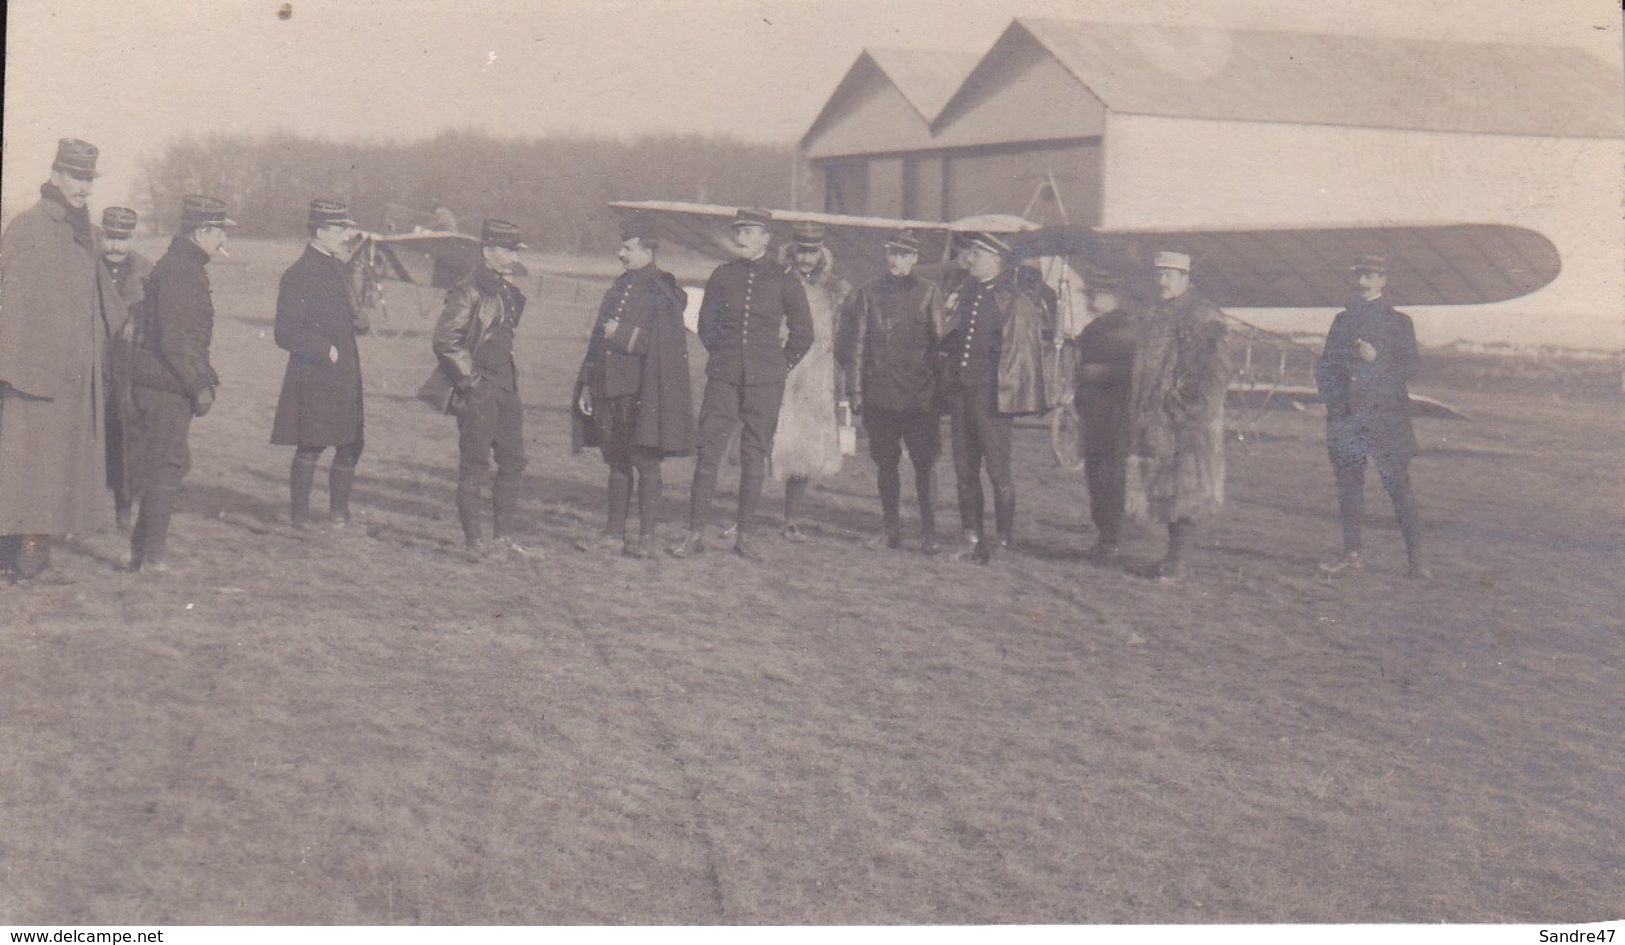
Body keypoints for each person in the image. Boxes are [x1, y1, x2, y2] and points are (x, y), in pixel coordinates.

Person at [0, 138, 126, 581]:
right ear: (54, 175)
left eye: (89, 178)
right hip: (31, 379)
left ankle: (29, 555)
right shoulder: (30, 228)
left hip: (71, 378)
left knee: (49, 471)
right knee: (27, 470)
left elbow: (104, 301)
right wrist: (11, 375)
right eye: (76, 176)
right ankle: (25, 558)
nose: (84, 187)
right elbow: (9, 303)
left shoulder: (84, 232)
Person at [671, 208, 813, 560]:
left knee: (754, 456)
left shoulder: (784, 278)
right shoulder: (723, 275)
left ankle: (744, 537)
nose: (742, 238)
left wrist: (778, 366)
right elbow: (706, 325)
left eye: (750, 231)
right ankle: (695, 533)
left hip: (766, 381)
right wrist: (724, 358)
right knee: (708, 453)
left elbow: (803, 333)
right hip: (724, 379)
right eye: (740, 231)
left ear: (766, 237)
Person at [571, 215, 695, 558]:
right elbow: (597, 340)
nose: (620, 254)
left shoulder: (664, 291)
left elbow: (666, 345)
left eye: (627, 247)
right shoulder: (619, 287)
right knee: (617, 461)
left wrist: (621, 335)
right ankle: (612, 535)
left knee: (646, 463)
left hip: (643, 391)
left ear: (647, 250)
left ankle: (647, 538)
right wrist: (586, 384)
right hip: (608, 387)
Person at [125, 194, 235, 573]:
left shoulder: (183, 265)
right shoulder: (181, 270)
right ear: (201, 232)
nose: (224, 241)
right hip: (164, 384)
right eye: (220, 232)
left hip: (164, 382)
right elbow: (174, 339)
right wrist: (198, 385)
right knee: (167, 465)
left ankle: (145, 550)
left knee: (167, 463)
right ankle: (150, 556)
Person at [935, 232, 1048, 564]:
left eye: (979, 255)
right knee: (964, 469)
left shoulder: (1011, 299)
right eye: (972, 254)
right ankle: (971, 536)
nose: (971, 259)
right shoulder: (966, 294)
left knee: (998, 472)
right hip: (963, 397)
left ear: (996, 261)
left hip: (993, 399)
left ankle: (1002, 541)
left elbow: (1020, 354)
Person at [1315, 253, 1429, 579]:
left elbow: (1411, 368)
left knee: (1398, 486)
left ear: (1383, 280)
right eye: (1360, 275)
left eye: (1371, 276)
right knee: (1349, 487)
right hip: (1348, 419)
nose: (1364, 282)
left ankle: (1417, 562)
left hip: (1386, 418)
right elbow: (1325, 367)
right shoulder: (1342, 320)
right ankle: (1352, 556)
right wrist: (1335, 407)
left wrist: (1376, 361)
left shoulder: (1399, 322)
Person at [1124, 250, 1230, 580]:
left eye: (1170, 275)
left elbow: (1214, 371)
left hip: (1187, 421)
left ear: (1186, 278)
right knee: (1167, 487)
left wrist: (1184, 407)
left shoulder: (1204, 315)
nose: (1162, 281)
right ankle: (1172, 557)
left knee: (1187, 488)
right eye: (1159, 275)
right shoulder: (1156, 313)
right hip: (1157, 419)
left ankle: (1179, 561)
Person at [431, 219, 533, 559]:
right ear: (488, 251)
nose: (514, 255)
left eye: (516, 249)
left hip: (506, 386)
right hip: (480, 388)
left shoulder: (508, 291)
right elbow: (446, 341)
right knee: (474, 464)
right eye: (508, 249)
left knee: (513, 461)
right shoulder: (468, 289)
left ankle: (503, 539)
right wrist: (471, 384)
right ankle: (474, 542)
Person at [843, 228, 945, 552]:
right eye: (891, 253)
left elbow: (940, 347)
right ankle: (891, 530)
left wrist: (939, 396)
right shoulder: (868, 293)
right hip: (880, 396)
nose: (895, 261)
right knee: (886, 464)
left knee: (924, 464)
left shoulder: (929, 293)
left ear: (914, 258)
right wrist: (855, 391)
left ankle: (929, 534)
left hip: (919, 397)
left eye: (903, 254)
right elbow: (857, 344)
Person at [270, 199, 366, 530]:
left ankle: (339, 514)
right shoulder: (298, 274)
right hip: (316, 371)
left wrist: (358, 320)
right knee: (311, 444)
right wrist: (326, 350)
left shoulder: (338, 267)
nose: (346, 235)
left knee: (351, 442)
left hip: (346, 370)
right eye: (340, 229)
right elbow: (284, 332)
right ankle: (299, 516)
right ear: (322, 231)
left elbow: (345, 312)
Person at [772, 222, 852, 539]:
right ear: (791, 252)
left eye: (812, 252)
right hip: (782, 369)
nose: (806, 259)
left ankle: (790, 517)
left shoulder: (832, 290)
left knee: (804, 445)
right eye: (801, 251)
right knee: (770, 438)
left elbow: (842, 333)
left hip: (816, 374)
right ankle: (743, 514)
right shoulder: (777, 282)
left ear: (821, 254)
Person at [1073, 267, 1139, 562]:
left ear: (1111, 296)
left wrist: (1097, 373)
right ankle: (1104, 536)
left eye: (1094, 294)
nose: (1089, 299)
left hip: (1115, 414)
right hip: (1093, 414)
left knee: (1110, 476)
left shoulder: (1126, 329)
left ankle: (1111, 539)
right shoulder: (1093, 329)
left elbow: (1135, 373)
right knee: (1096, 475)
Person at [99, 206, 153, 535]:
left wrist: (136, 320)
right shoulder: (86, 268)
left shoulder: (145, 273)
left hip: (127, 372)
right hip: (90, 367)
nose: (116, 246)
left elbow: (154, 316)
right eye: (110, 237)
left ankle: (124, 507)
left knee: (125, 440)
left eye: (123, 238)